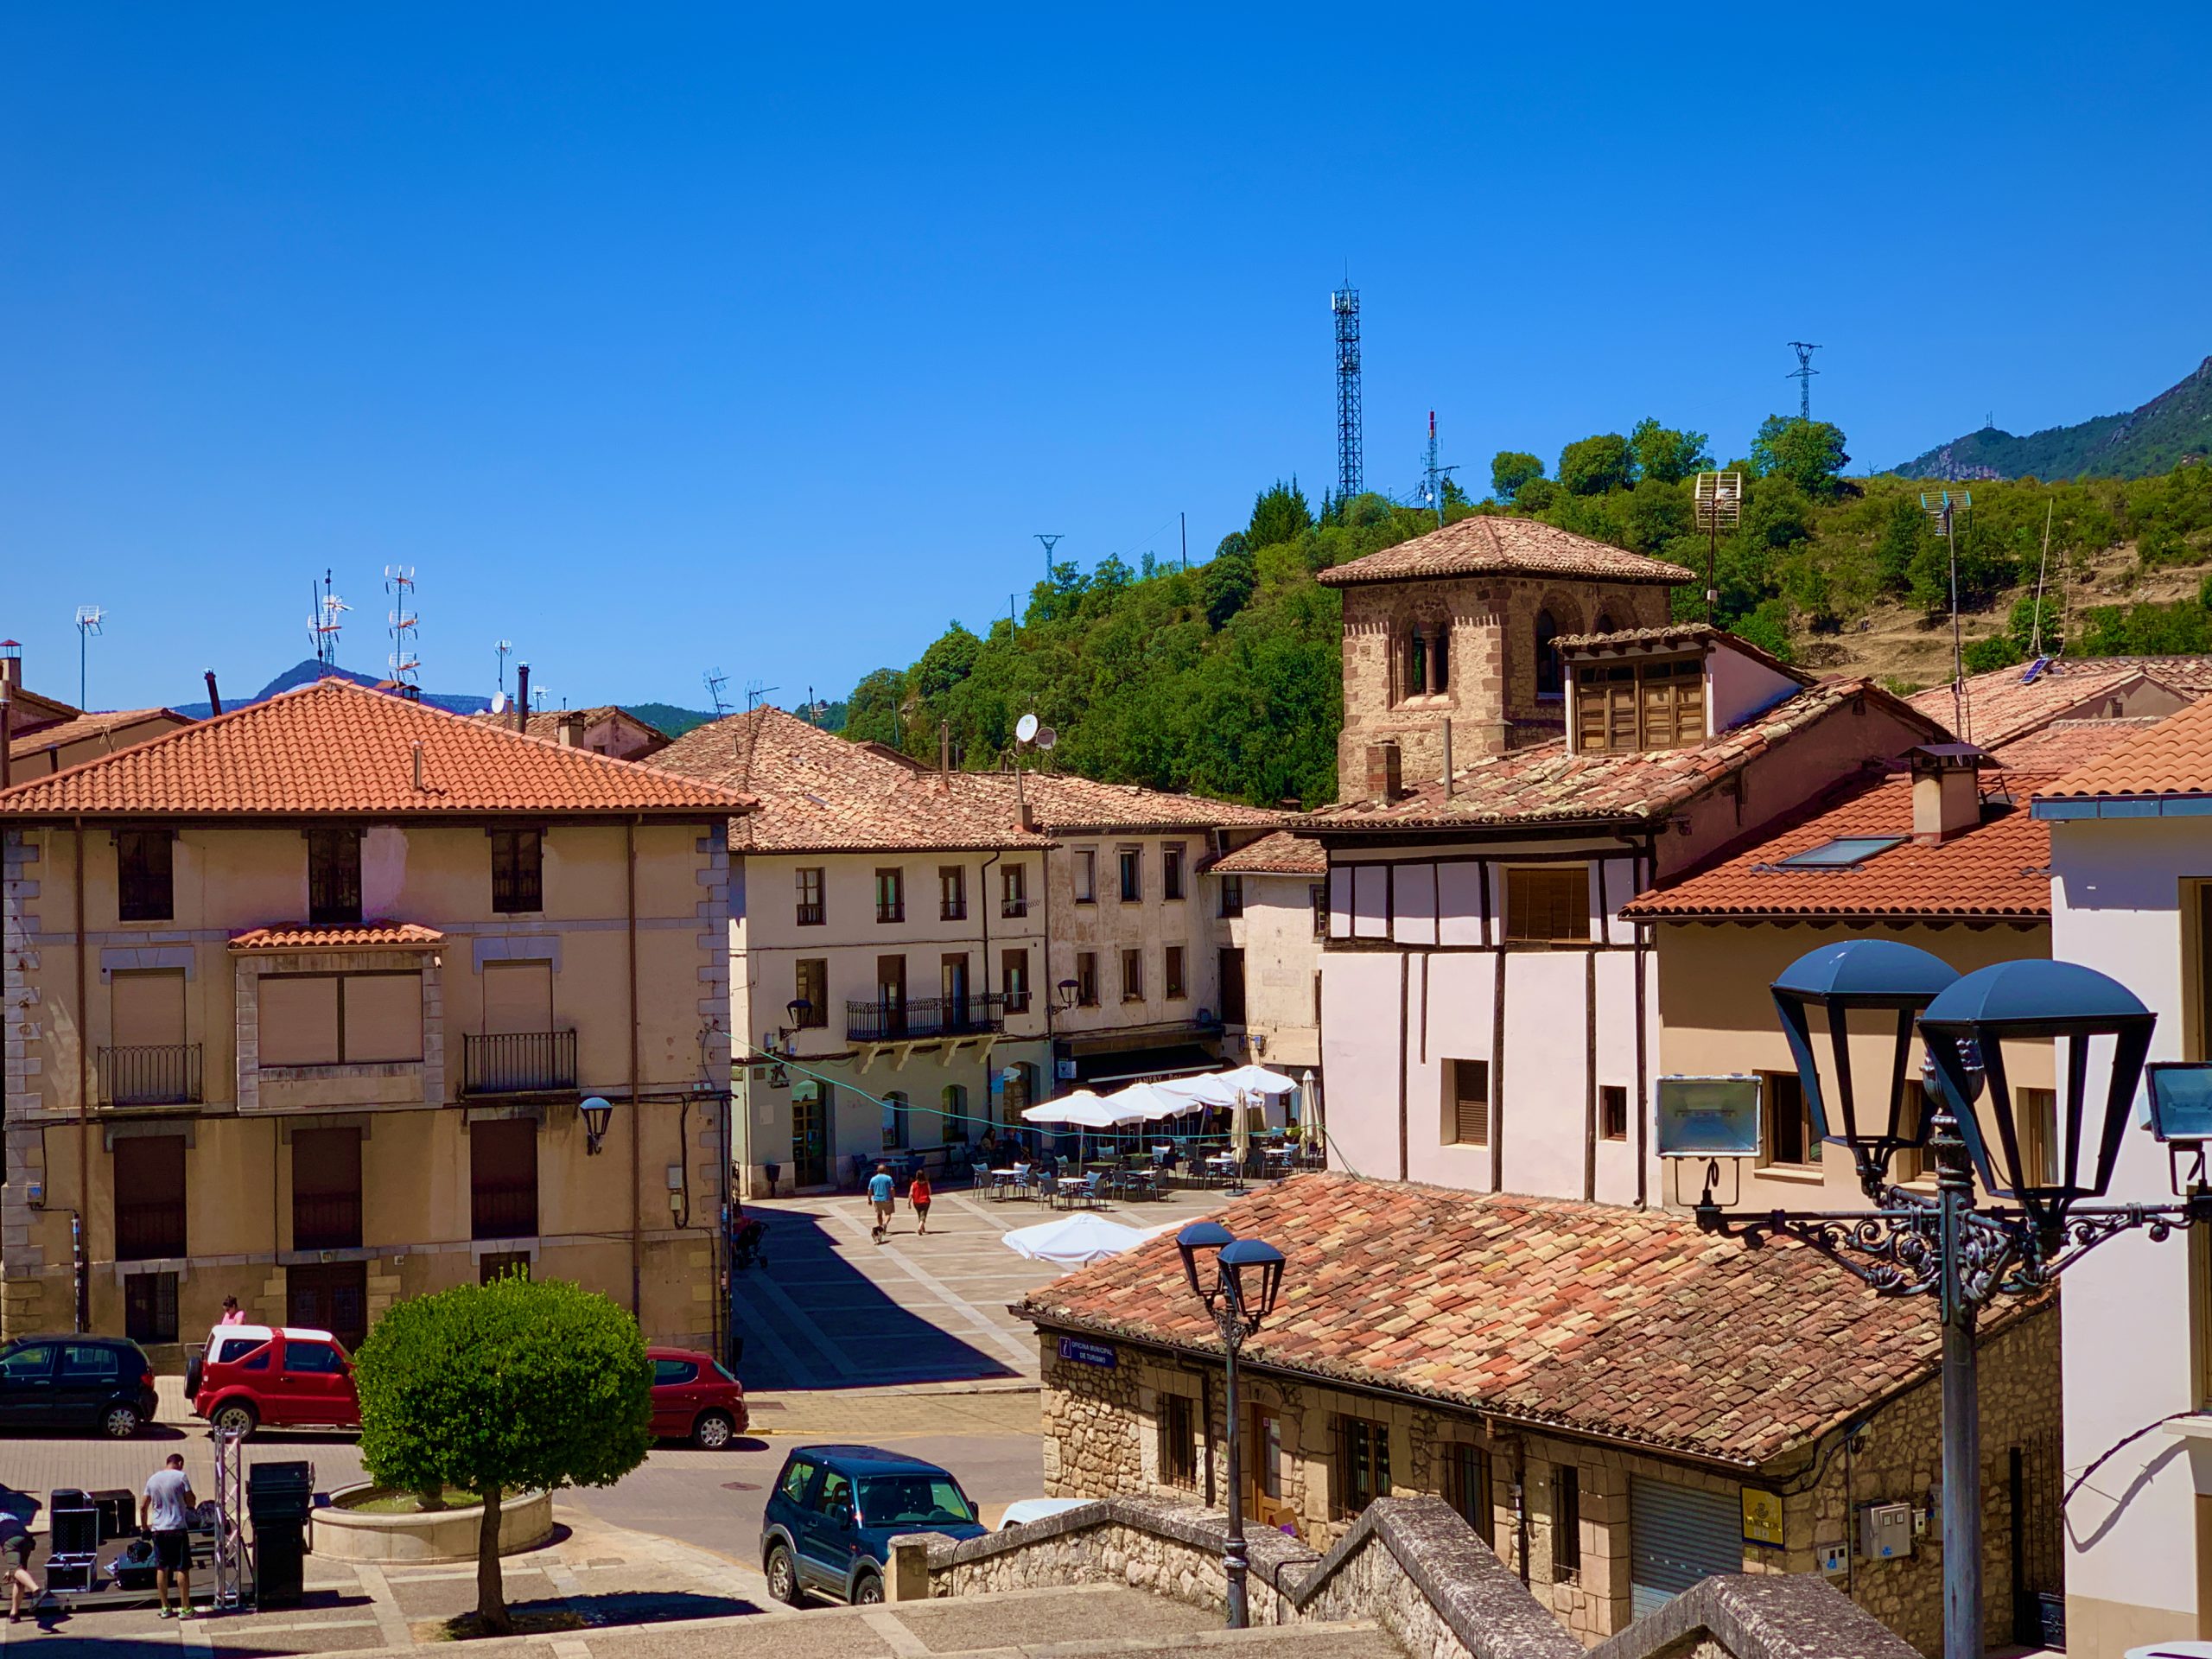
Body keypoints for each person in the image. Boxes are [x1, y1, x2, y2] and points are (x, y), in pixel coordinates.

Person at [139, 1452, 195, 1619]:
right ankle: (185, 1608)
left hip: (158, 1530)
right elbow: (190, 1501)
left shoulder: (153, 1479)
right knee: (182, 1567)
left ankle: (165, 1607)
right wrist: (190, 1501)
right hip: (177, 1528)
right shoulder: (181, 1476)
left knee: (161, 1568)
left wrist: (144, 1528)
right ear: (179, 1463)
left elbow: (142, 1507)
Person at [1, 1521, 37, 1624]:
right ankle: (14, 1614)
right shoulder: (12, 1517)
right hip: (27, 1540)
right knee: (20, 1577)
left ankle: (36, 1591)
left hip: (11, 1540)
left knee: (16, 1570)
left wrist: (13, 1569)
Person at [867, 1162, 896, 1243]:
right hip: (887, 1198)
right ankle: (884, 1225)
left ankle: (880, 1227)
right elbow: (892, 1189)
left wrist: (869, 1199)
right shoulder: (888, 1178)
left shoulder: (873, 1179)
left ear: (877, 1170)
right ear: (885, 1170)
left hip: (877, 1199)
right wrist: (893, 1197)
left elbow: (869, 1190)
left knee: (879, 1214)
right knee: (888, 1214)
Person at [907, 1167, 932, 1235]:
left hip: (916, 1202)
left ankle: (922, 1228)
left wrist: (909, 1202)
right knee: (923, 1215)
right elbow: (930, 1193)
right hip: (925, 1201)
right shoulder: (927, 1183)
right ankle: (919, 1228)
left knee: (920, 1215)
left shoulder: (913, 1184)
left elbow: (911, 1194)